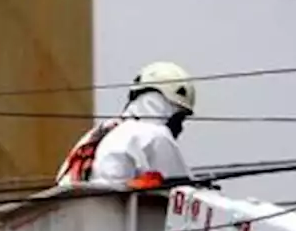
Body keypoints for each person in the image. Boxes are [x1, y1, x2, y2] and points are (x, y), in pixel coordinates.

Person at [56, 61, 196, 187]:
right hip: (117, 211)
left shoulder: (97, 134)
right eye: (180, 119)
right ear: (170, 109)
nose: (181, 128)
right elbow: (183, 187)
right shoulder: (156, 135)